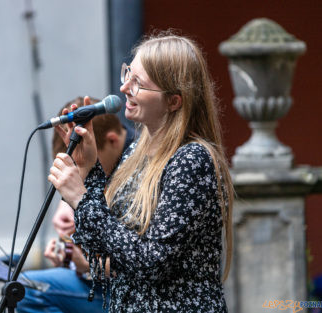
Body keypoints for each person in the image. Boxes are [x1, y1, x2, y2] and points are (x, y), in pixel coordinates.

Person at [48, 32, 234, 312]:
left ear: (174, 101)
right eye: (128, 74)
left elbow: (151, 263)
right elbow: (106, 251)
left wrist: (81, 198)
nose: (124, 89)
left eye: (138, 83)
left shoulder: (192, 160)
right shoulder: (136, 152)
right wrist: (89, 170)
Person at [16, 97, 134, 313]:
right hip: (100, 281)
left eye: (86, 163)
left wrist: (88, 265)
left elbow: (138, 260)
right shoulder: (109, 160)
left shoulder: (135, 173)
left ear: (113, 140)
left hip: (127, 291)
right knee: (21, 287)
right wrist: (69, 252)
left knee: (27, 290)